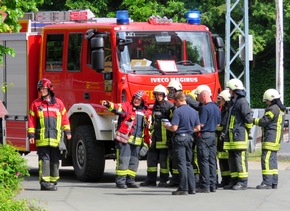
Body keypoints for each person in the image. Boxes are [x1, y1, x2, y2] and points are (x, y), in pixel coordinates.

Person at [28, 78, 71, 191]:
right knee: (44, 160)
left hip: (55, 139)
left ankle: (53, 181)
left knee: (55, 160)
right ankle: (45, 183)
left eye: (44, 89)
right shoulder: (36, 104)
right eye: (40, 89)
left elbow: (65, 119)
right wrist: (31, 135)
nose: (41, 91)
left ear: (49, 89)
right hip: (42, 138)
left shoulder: (59, 104)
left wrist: (68, 132)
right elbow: (31, 121)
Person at [102, 90, 150, 189]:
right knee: (123, 161)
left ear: (143, 101)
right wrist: (108, 104)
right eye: (135, 99)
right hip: (125, 140)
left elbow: (148, 128)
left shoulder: (145, 112)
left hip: (137, 141)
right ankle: (120, 182)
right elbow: (117, 107)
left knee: (134, 161)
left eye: (139, 99)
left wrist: (146, 143)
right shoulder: (127, 106)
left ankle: (130, 181)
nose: (136, 101)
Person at [164, 91, 200, 195]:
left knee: (181, 163)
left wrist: (167, 126)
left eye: (175, 102)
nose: (175, 104)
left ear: (178, 100)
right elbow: (197, 128)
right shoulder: (194, 111)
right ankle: (192, 188)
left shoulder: (178, 112)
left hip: (179, 138)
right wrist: (188, 130)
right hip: (189, 138)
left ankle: (183, 188)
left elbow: (174, 128)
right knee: (189, 163)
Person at [140, 85, 174, 187]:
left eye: (160, 95)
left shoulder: (169, 107)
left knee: (164, 162)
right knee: (151, 160)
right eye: (157, 95)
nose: (158, 96)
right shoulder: (155, 106)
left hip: (164, 140)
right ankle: (151, 180)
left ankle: (163, 180)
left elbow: (173, 123)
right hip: (154, 139)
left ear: (164, 95)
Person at [223, 78, 253, 190]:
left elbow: (248, 119)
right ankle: (234, 180)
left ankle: (242, 182)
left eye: (230, 89)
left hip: (239, 136)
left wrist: (247, 130)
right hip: (231, 137)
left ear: (234, 90)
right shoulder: (232, 102)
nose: (229, 91)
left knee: (240, 160)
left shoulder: (242, 101)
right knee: (232, 160)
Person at [253, 89, 286, 189]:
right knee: (272, 160)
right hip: (276, 138)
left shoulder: (272, 109)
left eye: (267, 100)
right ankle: (273, 182)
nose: (266, 102)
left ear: (271, 99)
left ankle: (267, 182)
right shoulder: (280, 109)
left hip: (270, 138)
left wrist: (253, 120)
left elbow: (264, 121)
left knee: (266, 159)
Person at [195, 85, 221, 193]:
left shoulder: (205, 108)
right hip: (213, 135)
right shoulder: (216, 107)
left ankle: (205, 186)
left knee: (203, 161)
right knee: (212, 160)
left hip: (204, 135)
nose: (198, 99)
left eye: (199, 96)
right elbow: (218, 123)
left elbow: (200, 124)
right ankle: (212, 185)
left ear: (203, 95)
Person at [216, 89, 231, 188]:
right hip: (221, 139)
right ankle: (225, 180)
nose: (219, 101)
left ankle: (228, 180)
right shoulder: (224, 109)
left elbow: (224, 124)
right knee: (222, 160)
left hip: (225, 138)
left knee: (227, 161)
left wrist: (216, 127)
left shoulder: (228, 111)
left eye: (220, 99)